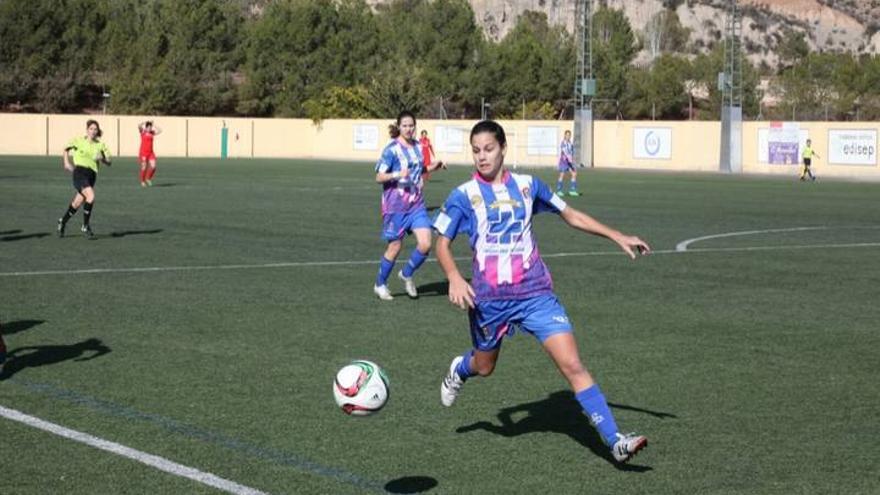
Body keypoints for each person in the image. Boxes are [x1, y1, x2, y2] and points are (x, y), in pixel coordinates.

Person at [433, 120, 650, 464]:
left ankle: (615, 441)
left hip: (536, 294)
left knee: (573, 365)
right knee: (485, 367)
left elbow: (571, 215)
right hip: (490, 300)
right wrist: (454, 277)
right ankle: (460, 369)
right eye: (476, 151)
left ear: (503, 148)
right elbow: (440, 243)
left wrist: (618, 236)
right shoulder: (463, 196)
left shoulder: (528, 185)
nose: (482, 157)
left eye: (488, 149)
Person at [373, 111, 446, 301]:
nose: (408, 128)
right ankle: (380, 284)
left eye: (411, 125)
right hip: (395, 206)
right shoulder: (391, 149)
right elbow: (379, 177)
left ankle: (406, 273)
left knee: (426, 243)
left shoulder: (417, 146)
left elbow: (418, 170)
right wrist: (397, 174)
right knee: (395, 247)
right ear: (399, 126)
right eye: (405, 125)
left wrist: (433, 167)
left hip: (416, 204)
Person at [57, 119, 112, 239]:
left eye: (95, 129)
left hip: (92, 175)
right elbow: (66, 148)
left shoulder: (100, 145)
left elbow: (109, 162)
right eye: (91, 129)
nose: (93, 131)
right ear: (87, 130)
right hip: (79, 172)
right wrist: (66, 163)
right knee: (91, 197)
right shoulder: (78, 141)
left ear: (98, 131)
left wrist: (102, 158)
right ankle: (85, 225)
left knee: (77, 203)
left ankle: (62, 221)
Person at [556, 130, 580, 196]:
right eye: (567, 135)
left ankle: (572, 190)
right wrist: (568, 158)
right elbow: (564, 152)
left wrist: (572, 160)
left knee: (574, 173)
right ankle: (559, 190)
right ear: (565, 135)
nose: (568, 136)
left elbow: (571, 153)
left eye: (569, 135)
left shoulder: (570, 143)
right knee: (562, 175)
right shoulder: (563, 143)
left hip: (569, 162)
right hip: (563, 161)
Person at [138, 120, 162, 186]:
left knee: (153, 166)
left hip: (151, 153)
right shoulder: (143, 132)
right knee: (144, 167)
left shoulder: (152, 133)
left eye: (150, 127)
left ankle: (148, 178)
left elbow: (160, 130)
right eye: (148, 127)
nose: (149, 128)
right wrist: (144, 122)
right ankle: (142, 181)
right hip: (143, 153)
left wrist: (154, 124)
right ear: (146, 127)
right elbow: (139, 126)